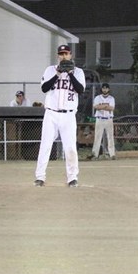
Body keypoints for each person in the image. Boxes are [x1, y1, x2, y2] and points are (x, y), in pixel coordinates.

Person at [34, 44, 86, 187]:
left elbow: (80, 90)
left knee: (70, 148)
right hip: (51, 114)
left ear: (71, 55)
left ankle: (72, 177)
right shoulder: (50, 70)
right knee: (45, 146)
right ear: (58, 56)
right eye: (61, 54)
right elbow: (44, 88)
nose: (64, 56)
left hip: (68, 115)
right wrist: (57, 74)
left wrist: (69, 73)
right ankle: (40, 177)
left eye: (66, 54)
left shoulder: (78, 72)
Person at [87, 83, 116, 160]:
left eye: (106, 88)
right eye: (103, 88)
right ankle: (95, 154)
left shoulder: (111, 98)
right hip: (99, 119)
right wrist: (105, 106)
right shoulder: (97, 98)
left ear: (108, 89)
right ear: (102, 89)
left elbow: (112, 108)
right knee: (97, 137)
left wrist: (101, 107)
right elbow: (96, 106)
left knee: (110, 137)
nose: (105, 90)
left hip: (108, 119)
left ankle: (112, 154)